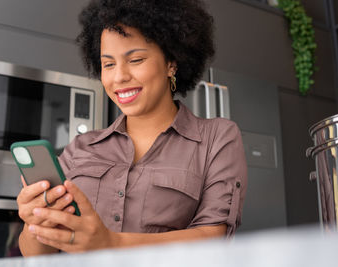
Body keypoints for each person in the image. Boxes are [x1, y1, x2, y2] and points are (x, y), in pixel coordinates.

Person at [16, 0, 247, 256]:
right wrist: (34, 221)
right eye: (108, 64)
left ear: (172, 62)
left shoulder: (217, 138)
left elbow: (214, 238)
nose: (119, 77)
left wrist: (111, 243)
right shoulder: (80, 148)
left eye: (135, 59)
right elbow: (37, 256)